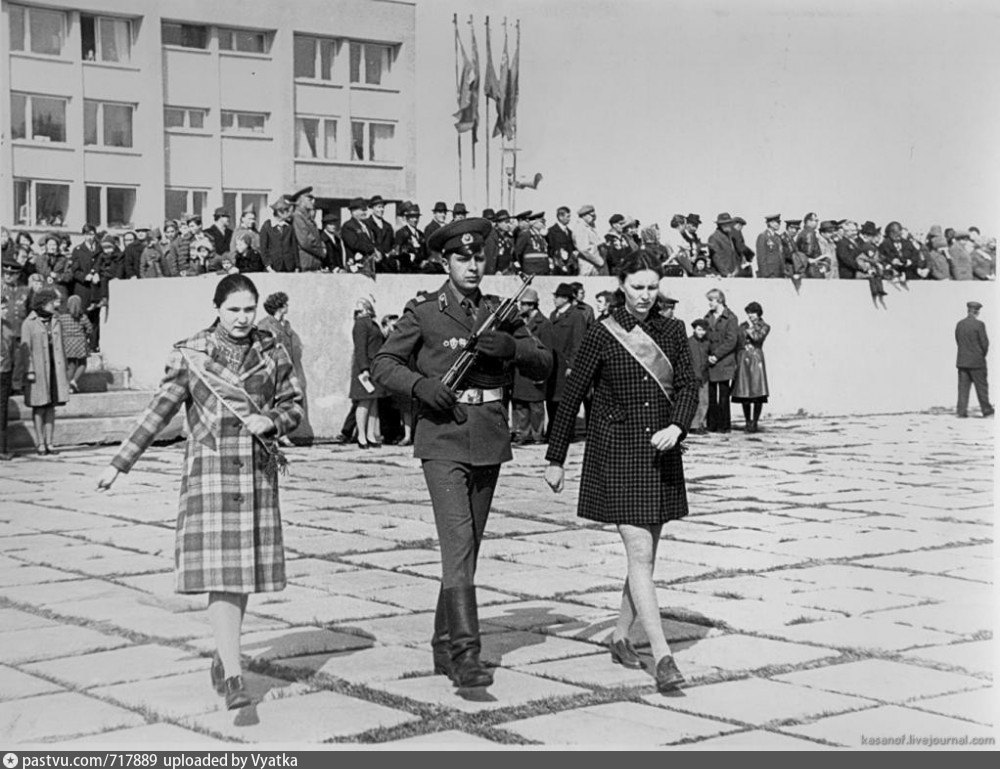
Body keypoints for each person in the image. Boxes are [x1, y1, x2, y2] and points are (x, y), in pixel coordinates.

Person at [97, 274, 304, 711]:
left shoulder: (272, 349)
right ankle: (233, 675)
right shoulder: (192, 353)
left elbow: (294, 405)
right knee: (222, 577)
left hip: (256, 475)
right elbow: (159, 411)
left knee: (241, 576)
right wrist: (120, 463)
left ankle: (225, 655)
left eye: (249, 309)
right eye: (233, 310)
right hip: (211, 475)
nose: (243, 318)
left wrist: (272, 420)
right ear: (217, 309)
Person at [371, 218, 551, 690]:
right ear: (444, 262)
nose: (472, 266)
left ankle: (442, 645)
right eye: (461, 258)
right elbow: (383, 364)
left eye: (478, 258)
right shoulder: (425, 312)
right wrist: (420, 386)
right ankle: (467, 654)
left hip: (488, 436)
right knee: (458, 544)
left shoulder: (500, 311)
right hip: (442, 437)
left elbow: (544, 362)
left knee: (467, 548)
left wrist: (511, 347)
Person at [543, 250, 698, 693]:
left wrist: (677, 426)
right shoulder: (602, 331)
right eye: (637, 287)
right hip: (618, 454)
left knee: (645, 558)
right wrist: (556, 458)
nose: (645, 295)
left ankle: (619, 635)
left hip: (662, 453)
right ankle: (663, 656)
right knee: (641, 555)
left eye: (652, 287)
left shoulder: (673, 330)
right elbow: (572, 394)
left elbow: (688, 386)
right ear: (621, 286)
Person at [20, 287, 70, 455]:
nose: (55, 305)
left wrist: (64, 369)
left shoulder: (56, 320)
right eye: (51, 302)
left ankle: (50, 442)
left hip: (54, 368)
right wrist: (30, 370)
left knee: (51, 407)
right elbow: (25, 349)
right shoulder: (29, 322)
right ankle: (40, 442)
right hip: (38, 370)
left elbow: (61, 346)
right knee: (39, 407)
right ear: (43, 303)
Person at [512, 287, 554, 446]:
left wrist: (543, 373)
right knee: (521, 405)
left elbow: (548, 350)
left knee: (536, 406)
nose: (520, 307)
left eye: (523, 304)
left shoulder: (544, 324)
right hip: (520, 370)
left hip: (535, 370)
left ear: (532, 305)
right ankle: (522, 434)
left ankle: (537, 435)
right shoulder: (518, 322)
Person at [547, 282, 589, 442]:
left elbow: (578, 343)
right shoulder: (554, 315)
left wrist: (572, 365)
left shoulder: (576, 316)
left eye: (557, 296)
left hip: (566, 367)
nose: (555, 299)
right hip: (554, 366)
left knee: (565, 401)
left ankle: (565, 434)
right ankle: (553, 432)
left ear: (565, 298)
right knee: (552, 400)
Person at [351, 298, 385, 449]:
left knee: (373, 402)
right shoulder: (361, 324)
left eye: (362, 307)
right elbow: (360, 348)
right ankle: (361, 436)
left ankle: (370, 435)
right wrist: (364, 368)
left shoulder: (371, 323)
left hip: (374, 365)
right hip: (365, 367)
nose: (360, 310)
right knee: (364, 401)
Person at [731, 302, 771, 433]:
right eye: (748, 313)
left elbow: (758, 337)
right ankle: (748, 421)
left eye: (752, 313)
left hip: (756, 359)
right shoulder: (742, 325)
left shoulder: (764, 326)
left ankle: (755, 422)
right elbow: (737, 342)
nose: (750, 315)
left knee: (758, 392)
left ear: (758, 313)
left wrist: (749, 328)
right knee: (744, 392)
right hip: (743, 359)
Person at [704, 288, 738, 433]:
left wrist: (716, 356)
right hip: (710, 361)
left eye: (711, 300)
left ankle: (724, 425)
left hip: (724, 361)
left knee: (724, 395)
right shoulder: (707, 317)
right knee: (711, 394)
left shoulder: (731, 318)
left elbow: (731, 341)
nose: (709, 303)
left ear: (720, 300)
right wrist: (707, 356)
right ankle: (712, 424)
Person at [955, 301, 993, 418]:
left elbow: (958, 340)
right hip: (977, 362)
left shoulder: (960, 324)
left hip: (962, 361)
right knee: (981, 388)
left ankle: (961, 412)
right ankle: (987, 411)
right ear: (976, 311)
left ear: (968, 311)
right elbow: (985, 343)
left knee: (963, 389)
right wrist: (981, 355)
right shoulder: (979, 325)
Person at [60, 295, 93, 393]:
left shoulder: (62, 317)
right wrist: (86, 335)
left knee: (71, 364)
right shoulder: (83, 317)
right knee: (83, 363)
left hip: (67, 342)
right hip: (80, 342)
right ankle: (74, 381)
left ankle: (68, 385)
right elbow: (90, 329)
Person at [290, 187, 324, 272]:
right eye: (309, 199)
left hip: (312, 262)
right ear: (301, 200)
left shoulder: (306, 217)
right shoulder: (298, 217)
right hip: (306, 263)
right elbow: (305, 241)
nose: (313, 201)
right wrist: (321, 251)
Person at [688, 319, 710, 434]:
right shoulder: (689, 342)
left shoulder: (707, 343)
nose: (701, 332)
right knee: (694, 401)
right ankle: (693, 425)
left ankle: (701, 424)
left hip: (704, 376)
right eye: (699, 329)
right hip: (693, 376)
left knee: (704, 401)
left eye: (704, 330)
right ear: (694, 329)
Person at [571, 204, 605, 277]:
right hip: (587, 265)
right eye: (592, 216)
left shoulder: (587, 227)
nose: (594, 218)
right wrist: (599, 261)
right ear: (584, 215)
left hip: (592, 264)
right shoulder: (580, 228)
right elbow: (583, 249)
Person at [708, 213, 739, 278]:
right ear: (719, 225)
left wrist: (736, 269)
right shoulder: (714, 238)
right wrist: (726, 273)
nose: (728, 225)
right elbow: (716, 258)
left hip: (731, 274)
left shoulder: (729, 236)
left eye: (729, 223)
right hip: (720, 275)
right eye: (725, 223)